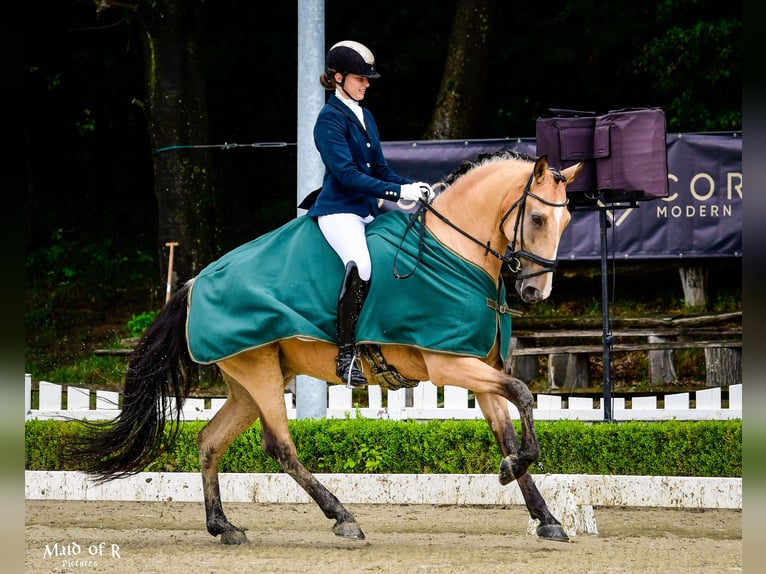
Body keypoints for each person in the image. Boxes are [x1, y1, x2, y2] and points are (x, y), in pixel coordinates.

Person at [305, 40, 434, 387]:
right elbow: (347, 175)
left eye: (367, 78)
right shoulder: (328, 119)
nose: (366, 84)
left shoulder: (367, 116)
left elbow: (380, 169)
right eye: (360, 78)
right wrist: (396, 193)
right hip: (339, 211)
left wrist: (413, 185)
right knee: (360, 264)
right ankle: (345, 357)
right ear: (338, 77)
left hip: (366, 211)